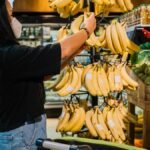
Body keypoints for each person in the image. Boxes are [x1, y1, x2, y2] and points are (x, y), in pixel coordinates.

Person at [0, 0, 96, 149]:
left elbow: (43, 74)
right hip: (19, 134)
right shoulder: (8, 54)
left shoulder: (9, 54)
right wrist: (86, 31)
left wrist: (72, 55)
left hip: (22, 130)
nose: (14, 19)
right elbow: (61, 50)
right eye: (11, 14)